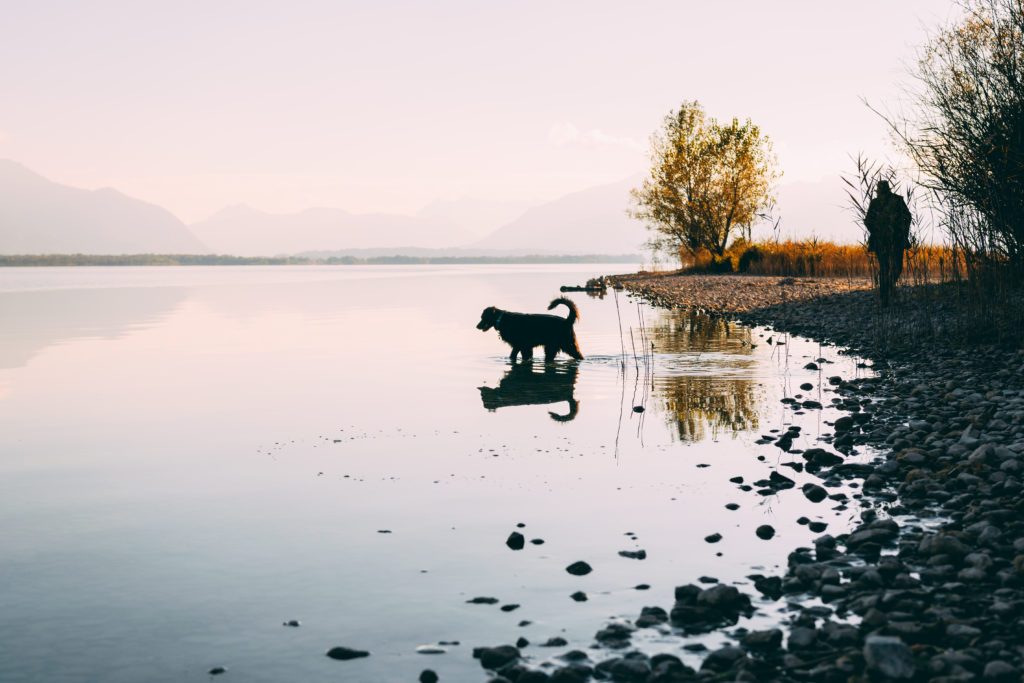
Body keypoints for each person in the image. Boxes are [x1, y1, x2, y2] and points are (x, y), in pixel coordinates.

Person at [864, 180, 912, 305]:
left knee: (894, 267)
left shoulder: (896, 200)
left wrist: (902, 231)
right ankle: (884, 296)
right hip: (885, 240)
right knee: (888, 267)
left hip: (894, 239)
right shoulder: (878, 203)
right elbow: (868, 220)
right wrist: (876, 232)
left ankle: (886, 290)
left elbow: (907, 217)